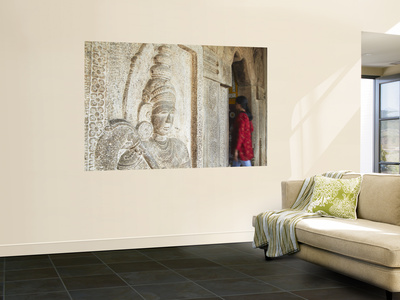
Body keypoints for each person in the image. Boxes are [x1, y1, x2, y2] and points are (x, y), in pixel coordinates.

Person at [232, 96, 254, 167]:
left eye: (236, 103)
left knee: (247, 167)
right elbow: (251, 129)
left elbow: (240, 134)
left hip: (241, 148)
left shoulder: (241, 116)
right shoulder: (247, 115)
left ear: (239, 104)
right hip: (246, 145)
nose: (235, 105)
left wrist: (236, 150)